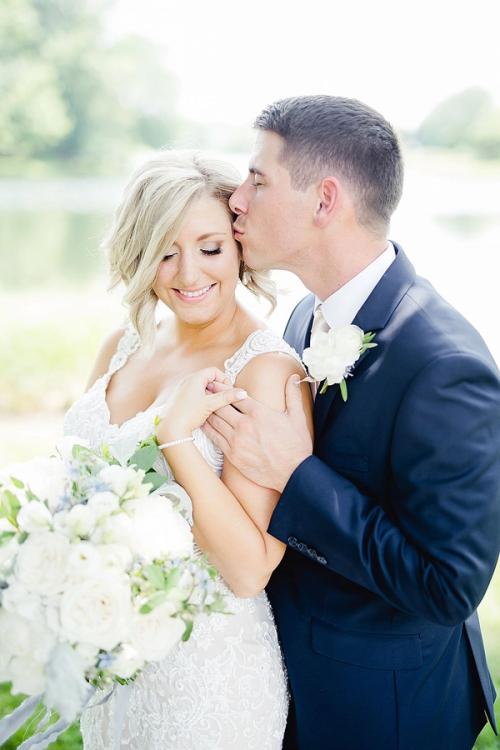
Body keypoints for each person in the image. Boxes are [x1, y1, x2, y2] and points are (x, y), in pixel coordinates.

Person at [204, 95, 500, 750]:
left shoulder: (444, 364)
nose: (236, 200)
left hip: (382, 708)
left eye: (258, 179)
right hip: (284, 684)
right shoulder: (303, 319)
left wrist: (296, 475)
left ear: (324, 201)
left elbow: (448, 585)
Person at [62, 150, 313, 749]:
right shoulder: (122, 345)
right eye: (165, 251)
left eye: (209, 248)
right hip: (117, 668)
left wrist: (175, 440)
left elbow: (251, 569)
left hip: (208, 686)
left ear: (239, 247)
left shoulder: (265, 371)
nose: (188, 274)